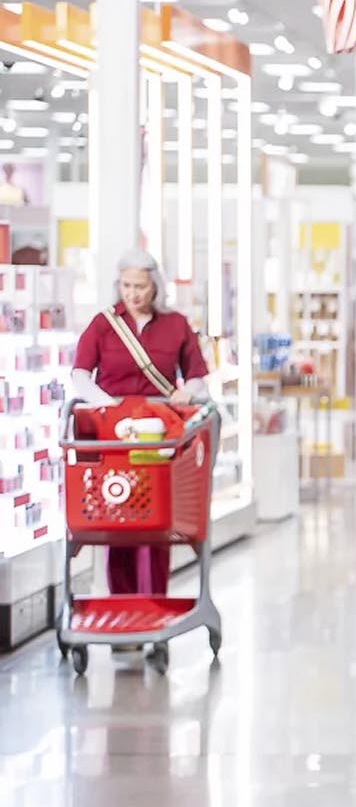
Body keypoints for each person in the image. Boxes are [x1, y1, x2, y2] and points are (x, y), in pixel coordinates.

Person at [70, 250, 209, 599]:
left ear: (155, 287)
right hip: (114, 438)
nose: (133, 294)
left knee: (156, 522)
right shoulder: (103, 324)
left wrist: (186, 393)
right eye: (127, 285)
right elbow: (80, 375)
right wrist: (107, 405)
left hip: (159, 437)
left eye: (141, 287)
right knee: (117, 517)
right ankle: (123, 602)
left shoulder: (175, 324)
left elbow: (198, 378)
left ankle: (155, 603)